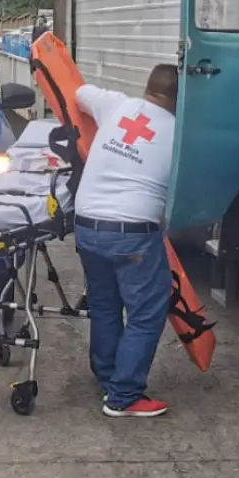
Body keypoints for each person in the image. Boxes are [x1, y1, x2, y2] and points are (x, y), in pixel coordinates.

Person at [73, 64, 178, 418]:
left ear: (147, 88)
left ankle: (107, 377)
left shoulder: (117, 106)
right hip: (132, 232)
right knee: (146, 313)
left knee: (104, 304)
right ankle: (124, 396)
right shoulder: (180, 133)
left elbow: (79, 94)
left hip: (87, 224)